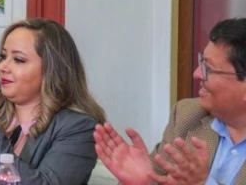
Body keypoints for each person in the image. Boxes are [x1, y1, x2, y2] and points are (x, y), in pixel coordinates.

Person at [0, 18, 106, 185]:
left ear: (51, 70)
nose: (3, 66)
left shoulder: (79, 127)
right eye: (3, 56)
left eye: (19, 60)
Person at [94, 18, 246, 185]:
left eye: (208, 69)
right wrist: (145, 183)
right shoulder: (188, 116)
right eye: (201, 63)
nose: (197, 74)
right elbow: (155, 179)